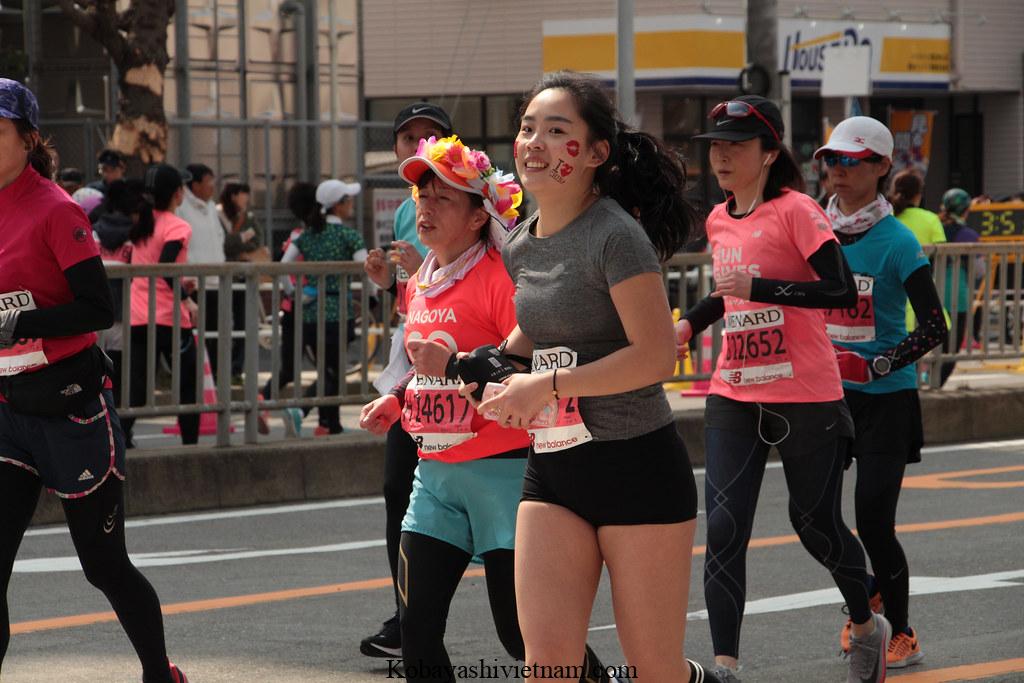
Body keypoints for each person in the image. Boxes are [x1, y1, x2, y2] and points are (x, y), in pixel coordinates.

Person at [478, 71, 716, 683]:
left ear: (596, 153)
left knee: (653, 670)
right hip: (555, 467)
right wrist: (491, 371)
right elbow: (539, 329)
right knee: (548, 666)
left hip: (637, 465)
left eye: (557, 131)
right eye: (527, 128)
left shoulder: (615, 236)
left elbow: (655, 356)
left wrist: (547, 386)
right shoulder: (521, 243)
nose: (535, 142)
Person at [676, 98, 889, 683]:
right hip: (734, 390)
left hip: (807, 393)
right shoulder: (720, 218)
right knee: (722, 526)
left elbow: (839, 289)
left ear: (769, 154)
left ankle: (866, 623)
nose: (720, 155)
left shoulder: (797, 210)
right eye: (715, 144)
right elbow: (729, 291)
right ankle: (724, 667)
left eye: (736, 146)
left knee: (815, 522)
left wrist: (762, 286)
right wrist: (689, 323)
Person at [0, 78, 187, 683]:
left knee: (104, 566)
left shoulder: (55, 208)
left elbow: (97, 308)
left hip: (70, 408)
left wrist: (21, 323)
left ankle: (160, 673)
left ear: (28, 138)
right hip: (7, 412)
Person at [358, 136, 532, 682]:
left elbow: (531, 371)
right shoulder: (421, 283)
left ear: (480, 216)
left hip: (504, 478)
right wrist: (399, 397)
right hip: (433, 477)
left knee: (523, 636)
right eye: (420, 195)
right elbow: (423, 367)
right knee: (417, 631)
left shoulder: (504, 282)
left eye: (443, 199)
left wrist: (459, 364)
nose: (425, 208)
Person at [818, 116, 947, 671]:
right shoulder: (815, 229)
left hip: (886, 400)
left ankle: (904, 632)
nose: (838, 171)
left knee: (872, 519)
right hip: (825, 397)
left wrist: (880, 364)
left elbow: (934, 327)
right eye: (832, 160)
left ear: (879, 168)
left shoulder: (898, 240)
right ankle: (866, 593)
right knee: (815, 515)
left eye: (851, 161)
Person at [360, 102, 454, 659]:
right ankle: (406, 616)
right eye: (408, 138)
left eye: (430, 136)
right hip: (414, 366)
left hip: (466, 368)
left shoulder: (480, 200)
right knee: (400, 488)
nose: (417, 146)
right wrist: (383, 281)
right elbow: (411, 296)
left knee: (488, 503)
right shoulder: (405, 208)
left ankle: (536, 616)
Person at [278, 179, 366, 437]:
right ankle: (303, 411)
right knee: (333, 369)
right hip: (339, 311)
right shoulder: (349, 236)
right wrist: (372, 296)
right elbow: (367, 270)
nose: (351, 204)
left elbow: (283, 266)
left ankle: (329, 424)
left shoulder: (308, 234)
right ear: (338, 206)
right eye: (348, 200)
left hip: (310, 312)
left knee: (329, 367)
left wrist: (292, 292)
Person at [121, 164, 201, 446]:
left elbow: (147, 265)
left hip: (139, 315)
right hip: (169, 317)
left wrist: (180, 283)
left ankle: (120, 439)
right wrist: (186, 299)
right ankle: (190, 445)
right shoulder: (177, 226)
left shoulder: (142, 223)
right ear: (178, 193)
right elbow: (165, 268)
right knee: (189, 384)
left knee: (138, 388)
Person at [89, 179, 141, 445]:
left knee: (95, 374)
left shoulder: (93, 231)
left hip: (95, 313)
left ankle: (98, 429)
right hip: (124, 313)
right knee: (121, 375)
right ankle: (121, 433)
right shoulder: (135, 236)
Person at [177, 163, 228, 375]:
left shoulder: (210, 206)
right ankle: (194, 376)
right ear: (195, 184)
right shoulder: (182, 207)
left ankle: (213, 377)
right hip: (194, 283)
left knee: (216, 333)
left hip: (216, 281)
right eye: (208, 182)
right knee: (195, 334)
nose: (212, 187)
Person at [217, 182, 263, 378]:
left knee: (243, 322)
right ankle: (220, 366)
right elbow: (222, 244)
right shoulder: (217, 215)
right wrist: (241, 239)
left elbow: (257, 240)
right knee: (221, 323)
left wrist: (238, 242)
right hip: (221, 277)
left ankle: (236, 367)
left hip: (242, 276)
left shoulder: (248, 216)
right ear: (234, 195)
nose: (247, 199)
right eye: (244, 194)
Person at [937, 187, 982, 386]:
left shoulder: (934, 225)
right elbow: (980, 271)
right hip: (957, 296)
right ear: (965, 210)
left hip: (930, 292)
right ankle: (936, 384)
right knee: (951, 349)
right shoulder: (968, 234)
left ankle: (923, 382)